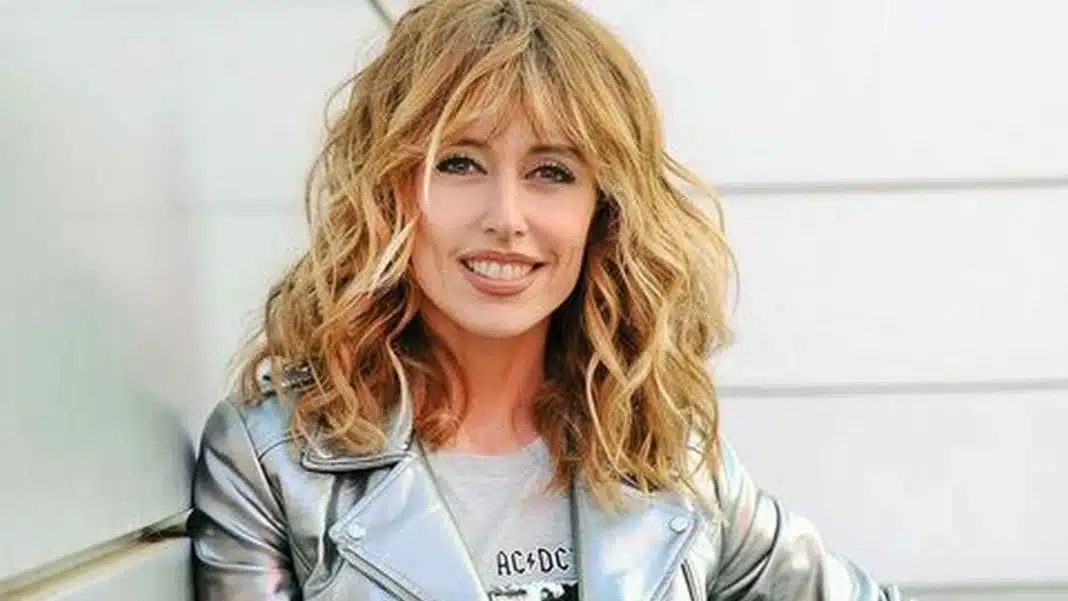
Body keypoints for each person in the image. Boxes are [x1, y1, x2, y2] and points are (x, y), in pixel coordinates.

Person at [188, 0, 912, 599]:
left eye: (552, 171)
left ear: (604, 210)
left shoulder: (668, 456)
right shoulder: (275, 459)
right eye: (459, 162)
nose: (506, 217)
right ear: (389, 189)